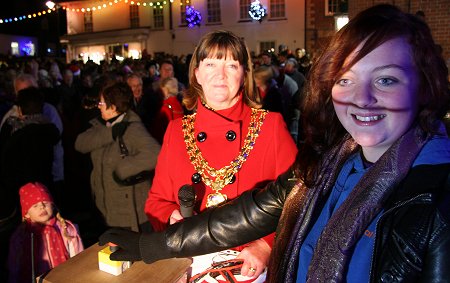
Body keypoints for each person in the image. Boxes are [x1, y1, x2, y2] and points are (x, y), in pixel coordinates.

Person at [99, 5, 450, 282]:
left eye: (386, 79)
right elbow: (249, 213)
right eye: (346, 79)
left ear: (424, 84)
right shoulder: (329, 163)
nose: (363, 98)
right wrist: (152, 243)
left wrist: (265, 250)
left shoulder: (438, 198)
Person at [144, 30, 298, 279]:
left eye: (231, 65)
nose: (220, 75)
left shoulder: (270, 126)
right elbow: (156, 202)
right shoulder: (175, 131)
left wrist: (266, 246)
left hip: (246, 266)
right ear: (196, 73)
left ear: (243, 74)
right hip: (190, 263)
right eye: (211, 64)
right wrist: (170, 217)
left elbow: (298, 200)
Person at [75, 82, 161, 232]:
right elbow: (80, 144)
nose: (99, 106)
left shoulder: (133, 129)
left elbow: (155, 153)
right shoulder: (103, 126)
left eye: (102, 103)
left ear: (113, 107)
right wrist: (111, 133)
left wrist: (123, 170)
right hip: (105, 210)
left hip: (128, 214)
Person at [0, 87, 60, 282]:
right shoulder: (47, 129)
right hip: (44, 188)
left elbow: (8, 163)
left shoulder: (18, 133)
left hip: (24, 192)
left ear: (21, 109)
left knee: (27, 236)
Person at [7, 182, 84, 283]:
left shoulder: (66, 229)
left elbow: (78, 259)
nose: (42, 207)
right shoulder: (21, 236)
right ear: (26, 214)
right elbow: (14, 266)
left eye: (45, 202)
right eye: (35, 205)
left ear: (52, 205)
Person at [151, 77, 184, 144]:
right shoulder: (178, 104)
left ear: (165, 89)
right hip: (180, 141)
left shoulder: (166, 106)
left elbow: (160, 130)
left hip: (169, 143)